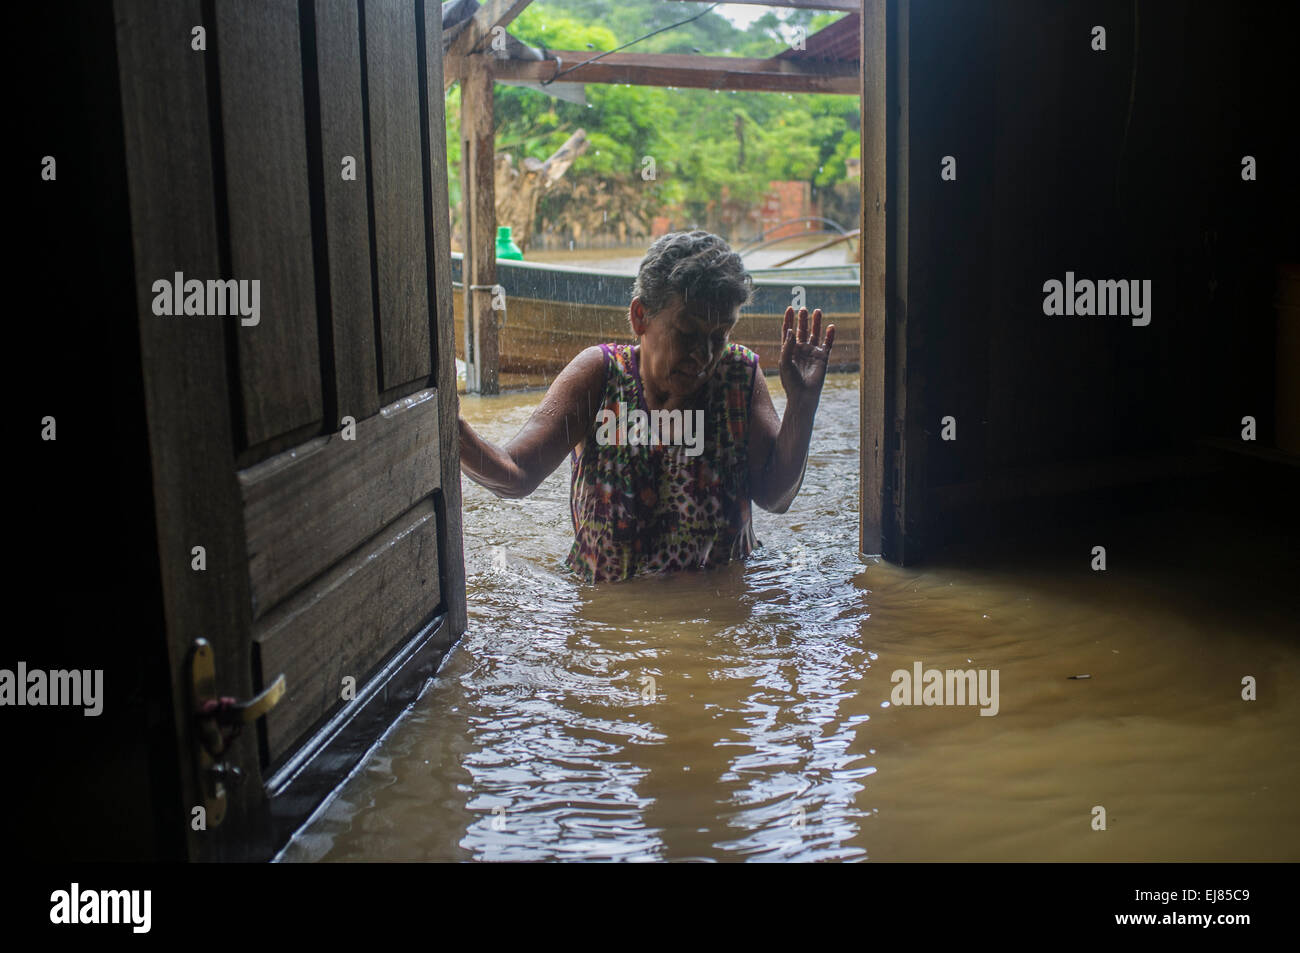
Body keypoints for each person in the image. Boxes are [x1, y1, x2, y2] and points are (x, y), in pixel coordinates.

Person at [458, 230, 835, 582]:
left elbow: (775, 497)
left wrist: (803, 402)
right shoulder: (601, 374)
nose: (703, 355)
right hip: (609, 617)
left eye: (718, 335)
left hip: (713, 613)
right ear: (640, 317)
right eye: (687, 334)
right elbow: (517, 473)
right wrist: (450, 427)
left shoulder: (739, 376)